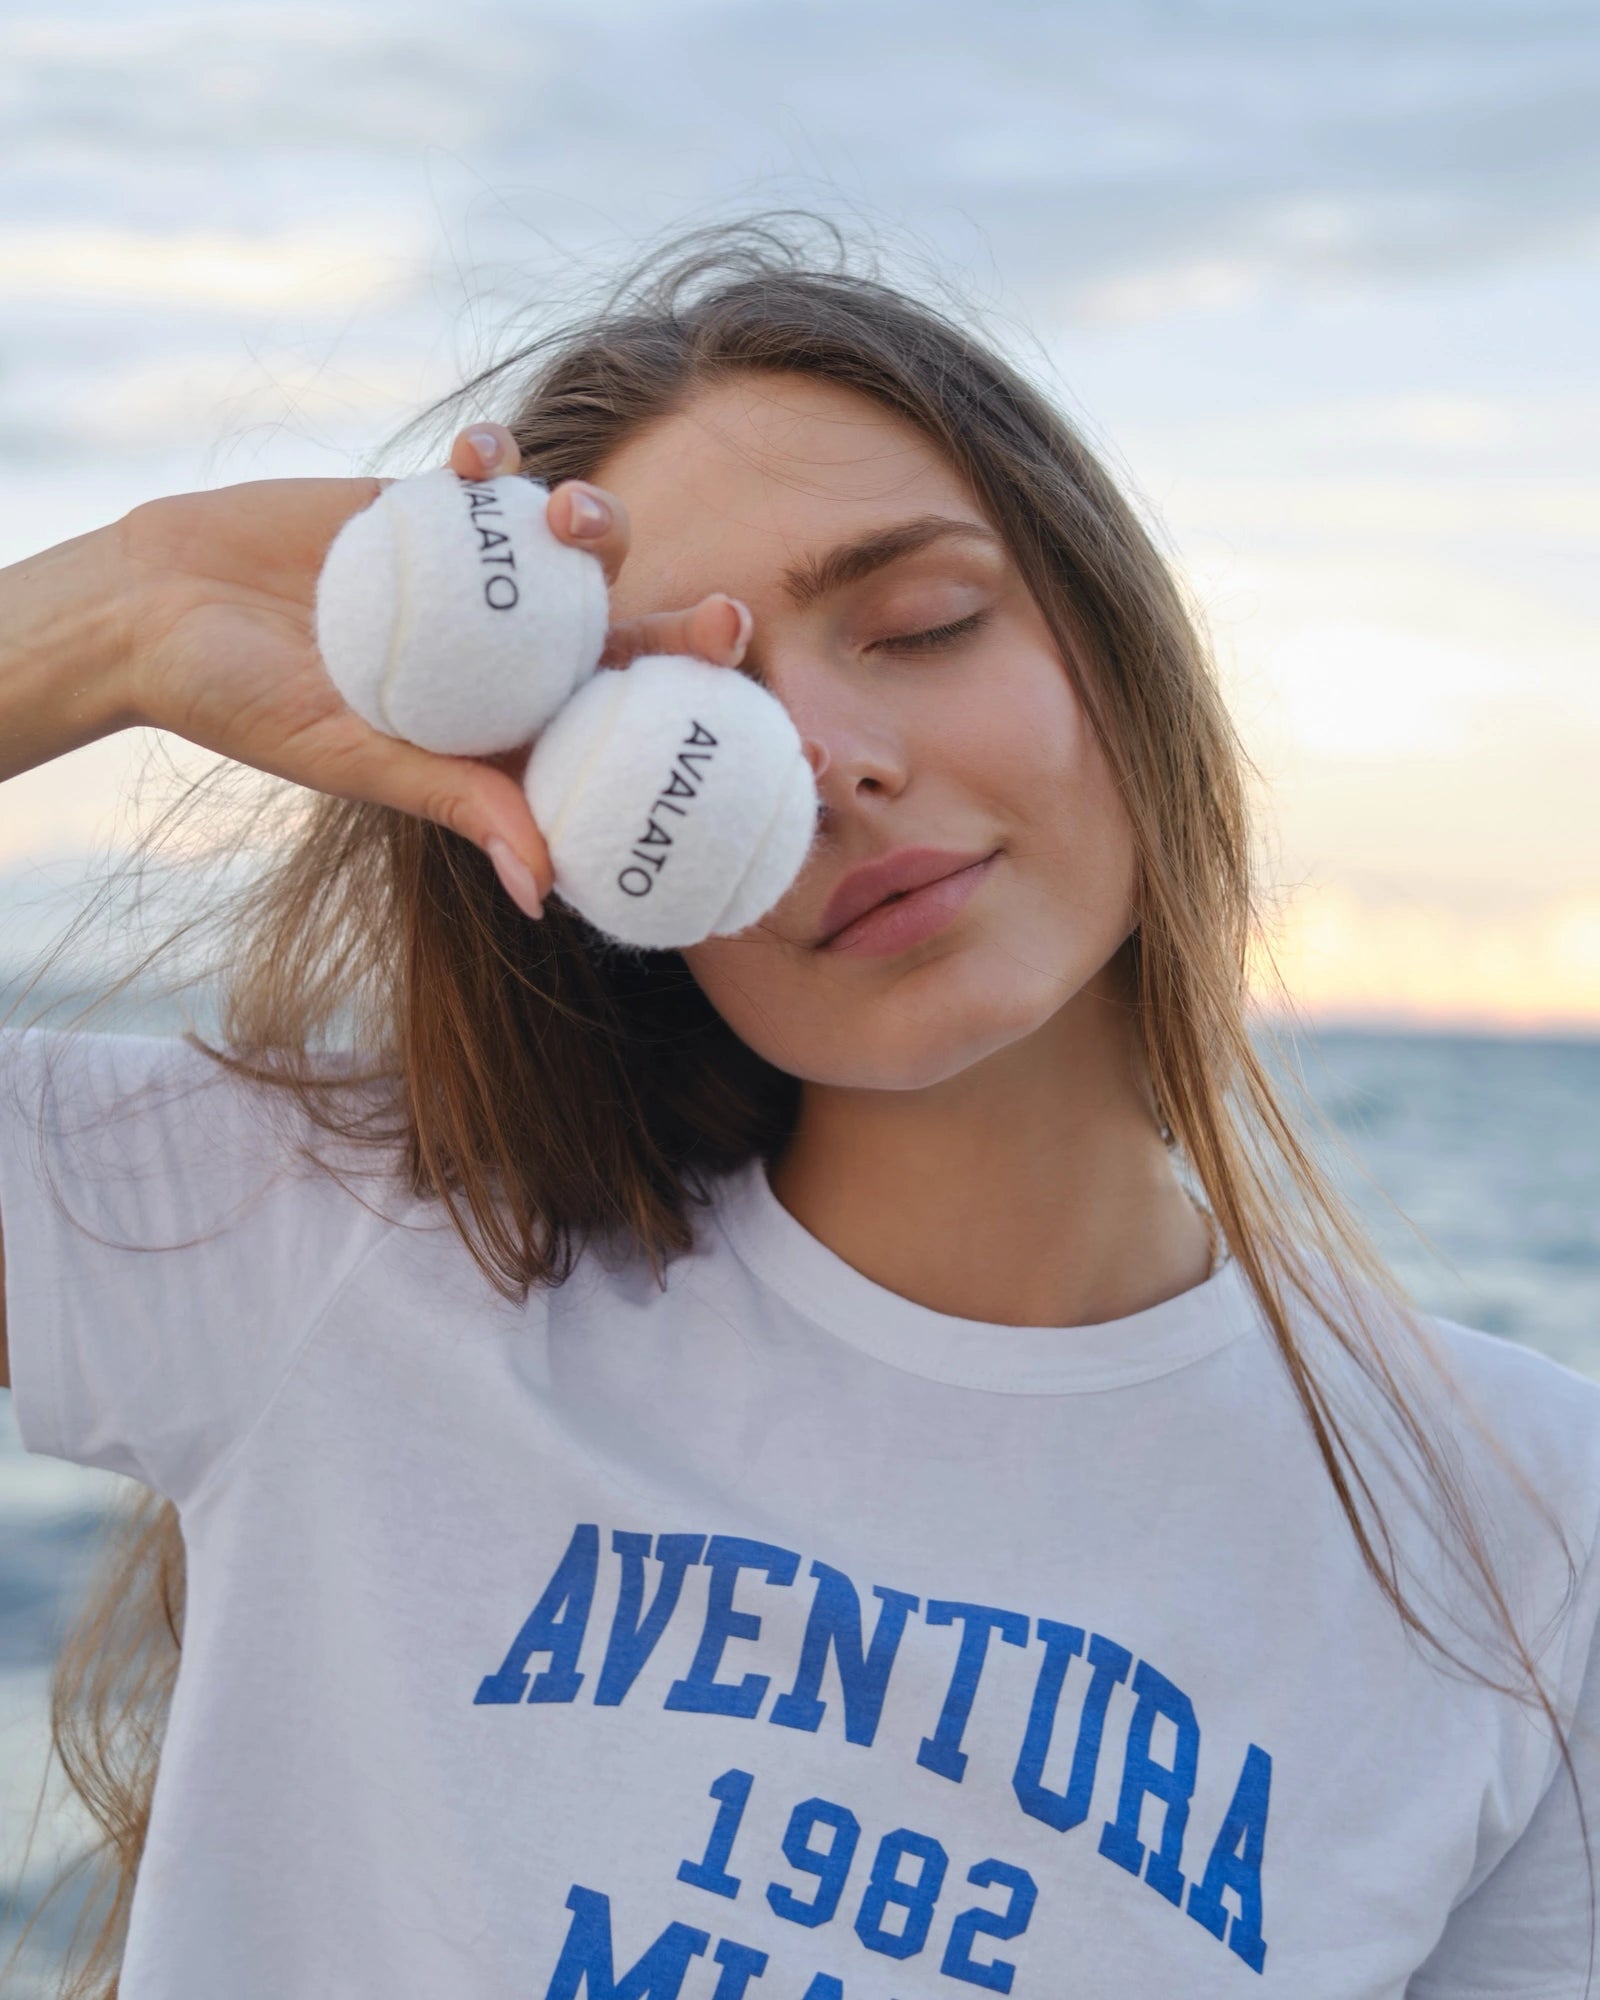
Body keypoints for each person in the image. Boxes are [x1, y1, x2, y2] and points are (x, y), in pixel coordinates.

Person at [0, 217, 1596, 2000]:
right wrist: (109, 619)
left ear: (1117, 649)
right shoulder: (332, 1240)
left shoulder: (1528, 1526)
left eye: (920, 622)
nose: (827, 757)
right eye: (685, 714)